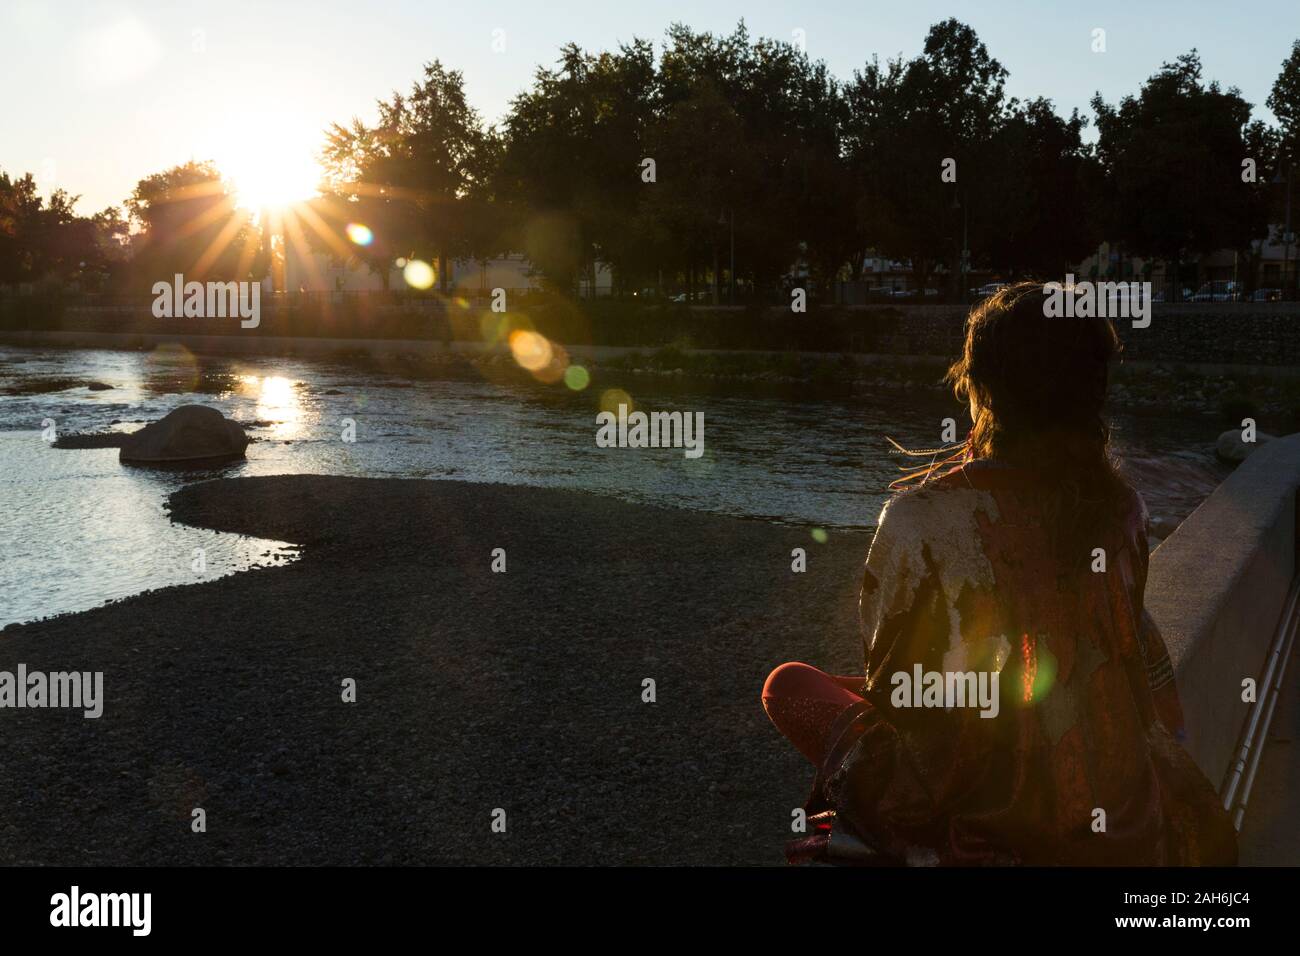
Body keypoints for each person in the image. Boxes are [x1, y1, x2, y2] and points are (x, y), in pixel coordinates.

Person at [762, 282, 1236, 865]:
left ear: (980, 386)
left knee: (786, 683)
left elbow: (897, 690)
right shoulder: (1123, 508)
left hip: (984, 808)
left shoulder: (922, 516)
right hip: (1116, 808)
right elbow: (1124, 642)